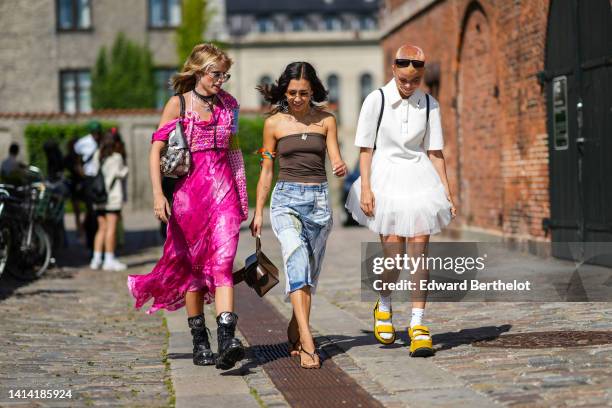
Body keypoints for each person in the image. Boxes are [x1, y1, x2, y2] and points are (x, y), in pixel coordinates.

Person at [127, 43, 249, 370]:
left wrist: (242, 196)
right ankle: (200, 340)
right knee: (194, 271)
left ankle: (227, 340)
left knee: (223, 263)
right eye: (215, 73)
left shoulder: (230, 106)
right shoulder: (178, 105)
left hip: (223, 194)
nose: (221, 80)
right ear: (198, 71)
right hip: (189, 197)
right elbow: (156, 150)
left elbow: (235, 151)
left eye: (225, 74)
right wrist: (158, 194)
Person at [345, 45, 457, 357]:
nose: (409, 85)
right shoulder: (376, 100)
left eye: (416, 80)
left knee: (419, 254)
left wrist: (446, 190)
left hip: (420, 179)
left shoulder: (430, 104)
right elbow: (365, 150)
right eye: (405, 79)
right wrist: (365, 188)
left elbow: (435, 152)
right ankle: (384, 302)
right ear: (394, 69)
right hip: (386, 179)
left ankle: (418, 324)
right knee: (393, 256)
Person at [250, 62, 347, 369]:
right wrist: (259, 211)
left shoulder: (327, 121)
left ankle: (295, 325)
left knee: (309, 274)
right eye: (291, 92)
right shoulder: (274, 124)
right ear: (284, 91)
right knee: (296, 259)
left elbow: (335, 156)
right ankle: (307, 341)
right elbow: (267, 170)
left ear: (313, 92)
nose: (297, 98)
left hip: (318, 201)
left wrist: (339, 165)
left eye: (303, 93)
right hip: (285, 201)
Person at [90, 129, 129, 271]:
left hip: (99, 197)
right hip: (112, 198)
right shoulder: (117, 157)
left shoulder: (97, 155)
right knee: (111, 229)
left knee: (101, 228)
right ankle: (109, 259)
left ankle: (96, 259)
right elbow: (122, 173)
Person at [74, 121, 104, 250]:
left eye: (98, 133)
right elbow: (77, 160)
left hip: (99, 178)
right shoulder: (83, 142)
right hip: (89, 179)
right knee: (91, 211)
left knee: (99, 211)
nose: (96, 135)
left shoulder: (102, 142)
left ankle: (99, 242)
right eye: (94, 133)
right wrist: (83, 174)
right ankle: (90, 242)